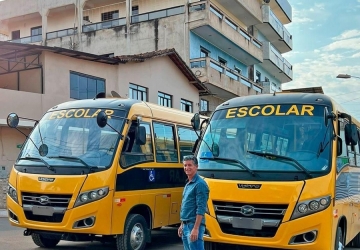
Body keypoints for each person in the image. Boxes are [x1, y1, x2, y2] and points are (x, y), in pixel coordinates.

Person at [178, 155, 209, 250]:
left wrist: (196, 228)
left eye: (190, 165)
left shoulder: (200, 184)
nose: (187, 168)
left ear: (196, 167)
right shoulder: (188, 183)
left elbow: (201, 208)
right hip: (186, 226)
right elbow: (186, 206)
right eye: (185, 165)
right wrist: (182, 225)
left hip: (193, 225)